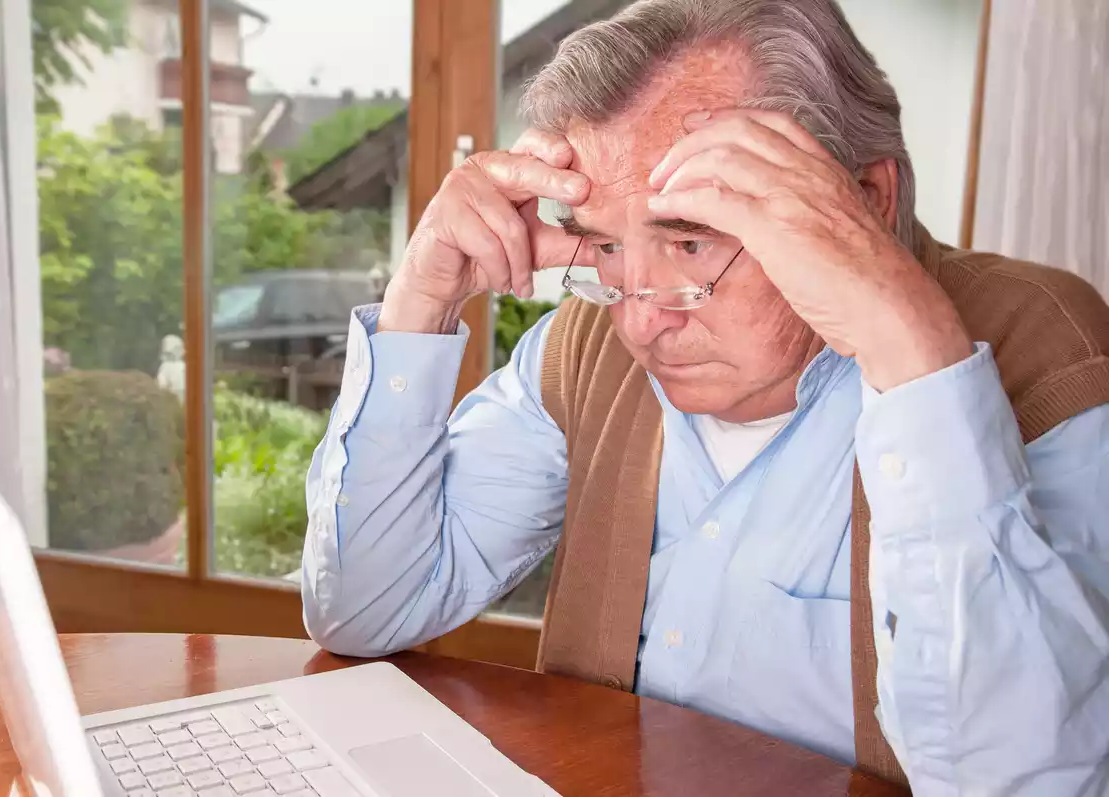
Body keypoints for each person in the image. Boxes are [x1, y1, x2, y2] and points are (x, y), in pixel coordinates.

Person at [300, 1, 1109, 793]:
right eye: (610, 247)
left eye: (691, 239)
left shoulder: (1044, 349)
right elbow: (367, 609)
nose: (641, 321)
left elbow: (1026, 779)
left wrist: (913, 353)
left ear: (865, 199)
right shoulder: (583, 345)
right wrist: (420, 299)